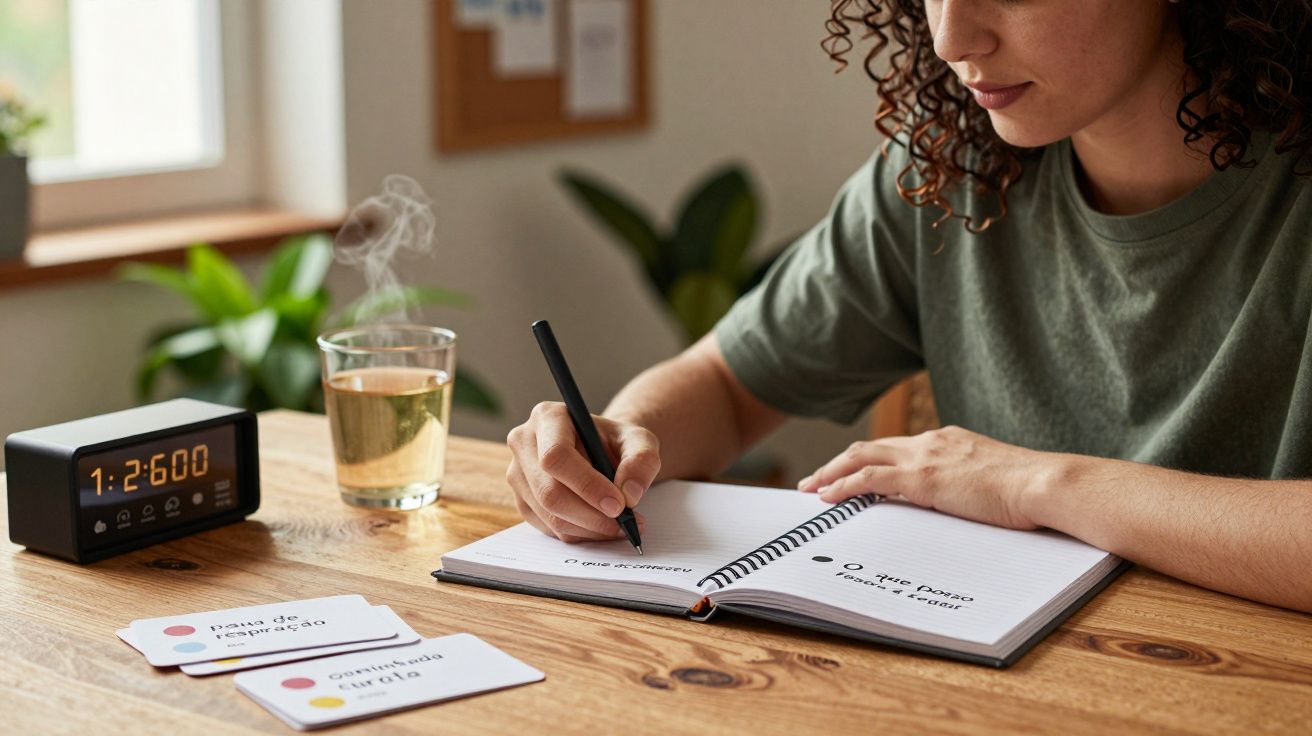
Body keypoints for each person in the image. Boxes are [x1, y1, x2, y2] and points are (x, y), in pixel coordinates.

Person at [505, 0, 1312, 613]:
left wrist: (1037, 485)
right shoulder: (949, 163)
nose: (953, 38)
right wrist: (616, 445)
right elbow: (722, 383)